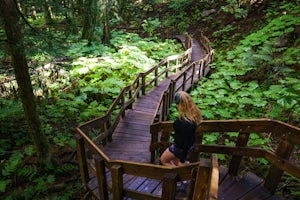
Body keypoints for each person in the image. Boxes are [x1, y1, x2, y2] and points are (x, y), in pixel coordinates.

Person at [160, 91, 202, 166]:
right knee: (176, 160)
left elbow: (186, 142)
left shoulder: (184, 123)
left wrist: (182, 159)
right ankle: (181, 170)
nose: (176, 106)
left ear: (182, 105)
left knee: (163, 160)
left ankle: (179, 172)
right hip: (184, 146)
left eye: (177, 104)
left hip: (180, 147)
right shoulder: (192, 117)